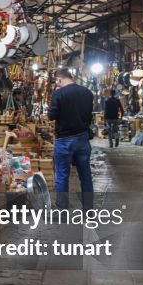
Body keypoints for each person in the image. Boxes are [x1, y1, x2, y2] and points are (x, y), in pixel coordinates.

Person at [47, 68, 94, 210]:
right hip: (82, 138)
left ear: (59, 79)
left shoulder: (58, 94)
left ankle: (62, 210)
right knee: (85, 175)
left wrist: (49, 112)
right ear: (71, 77)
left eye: (57, 82)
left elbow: (52, 116)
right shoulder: (87, 93)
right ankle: (88, 209)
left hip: (64, 139)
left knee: (62, 175)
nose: (57, 85)